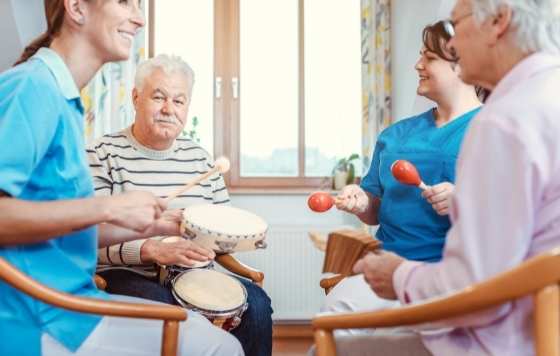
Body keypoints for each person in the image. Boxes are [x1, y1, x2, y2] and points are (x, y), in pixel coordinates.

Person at [0, 1, 243, 355]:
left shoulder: (63, 98)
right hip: (40, 322)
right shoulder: (32, 88)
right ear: (77, 8)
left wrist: (157, 224)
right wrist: (108, 208)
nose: (139, 18)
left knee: (214, 339)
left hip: (71, 311)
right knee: (219, 348)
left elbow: (62, 231)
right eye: (123, 2)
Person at [340, 0, 560, 354]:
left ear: (499, 21)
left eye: (458, 25)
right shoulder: (547, 94)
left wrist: (397, 275)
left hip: (508, 339)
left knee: (329, 336)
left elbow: (476, 290)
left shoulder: (503, 120)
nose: (454, 45)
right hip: (540, 326)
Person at [87, 54, 273, 356]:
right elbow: (87, 238)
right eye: (158, 97)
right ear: (136, 97)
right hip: (127, 274)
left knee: (258, 306)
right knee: (173, 313)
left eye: (178, 101)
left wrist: (247, 239)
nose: (167, 109)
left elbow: (221, 231)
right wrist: (151, 249)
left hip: (196, 273)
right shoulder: (102, 154)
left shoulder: (201, 159)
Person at [322, 20, 484, 323]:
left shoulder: (491, 128)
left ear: (462, 65)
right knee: (333, 320)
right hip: (386, 267)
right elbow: (375, 210)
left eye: (430, 58)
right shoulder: (395, 135)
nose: (417, 65)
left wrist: (465, 200)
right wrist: (362, 203)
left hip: (450, 275)